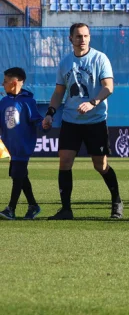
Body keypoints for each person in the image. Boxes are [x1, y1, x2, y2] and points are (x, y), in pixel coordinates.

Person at [40, 23, 121, 220]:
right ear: (71, 39)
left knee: (100, 165)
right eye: (78, 36)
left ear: (89, 38)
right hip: (71, 120)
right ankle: (66, 209)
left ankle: (116, 201)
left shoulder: (100, 58)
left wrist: (93, 102)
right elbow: (59, 92)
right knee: (65, 161)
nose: (82, 39)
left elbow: (108, 87)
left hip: (95, 119)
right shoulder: (65, 62)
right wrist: (50, 113)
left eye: (85, 36)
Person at [0, 68, 41, 220]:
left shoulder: (28, 101)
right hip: (11, 148)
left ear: (14, 82)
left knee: (18, 175)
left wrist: (44, 124)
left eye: (5, 81)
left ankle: (10, 208)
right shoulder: (4, 102)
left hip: (22, 147)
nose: (2, 84)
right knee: (20, 176)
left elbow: (36, 119)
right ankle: (33, 205)